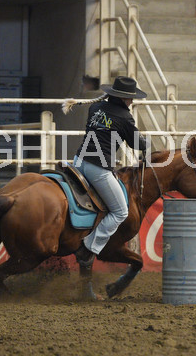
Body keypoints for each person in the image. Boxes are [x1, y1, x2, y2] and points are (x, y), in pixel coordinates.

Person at [72, 76, 149, 266]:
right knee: (120, 212)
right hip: (97, 168)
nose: (132, 102)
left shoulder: (95, 108)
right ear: (123, 98)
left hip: (78, 161)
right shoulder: (124, 117)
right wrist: (146, 142)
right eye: (131, 98)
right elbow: (137, 143)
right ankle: (89, 248)